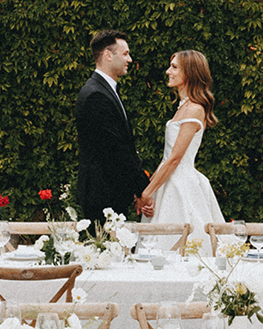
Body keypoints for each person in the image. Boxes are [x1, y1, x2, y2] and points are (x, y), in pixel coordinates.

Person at [139, 50, 225, 243]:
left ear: (190, 73)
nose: (168, 71)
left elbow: (176, 158)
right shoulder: (183, 107)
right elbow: (167, 157)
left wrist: (147, 193)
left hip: (181, 185)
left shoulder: (194, 109)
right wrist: (151, 188)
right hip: (167, 180)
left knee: (180, 241)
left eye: (174, 67)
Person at [74, 30, 150, 221]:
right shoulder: (95, 95)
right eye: (125, 54)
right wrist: (142, 188)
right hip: (103, 196)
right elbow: (116, 149)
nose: (130, 59)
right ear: (108, 55)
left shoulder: (103, 89)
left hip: (110, 192)